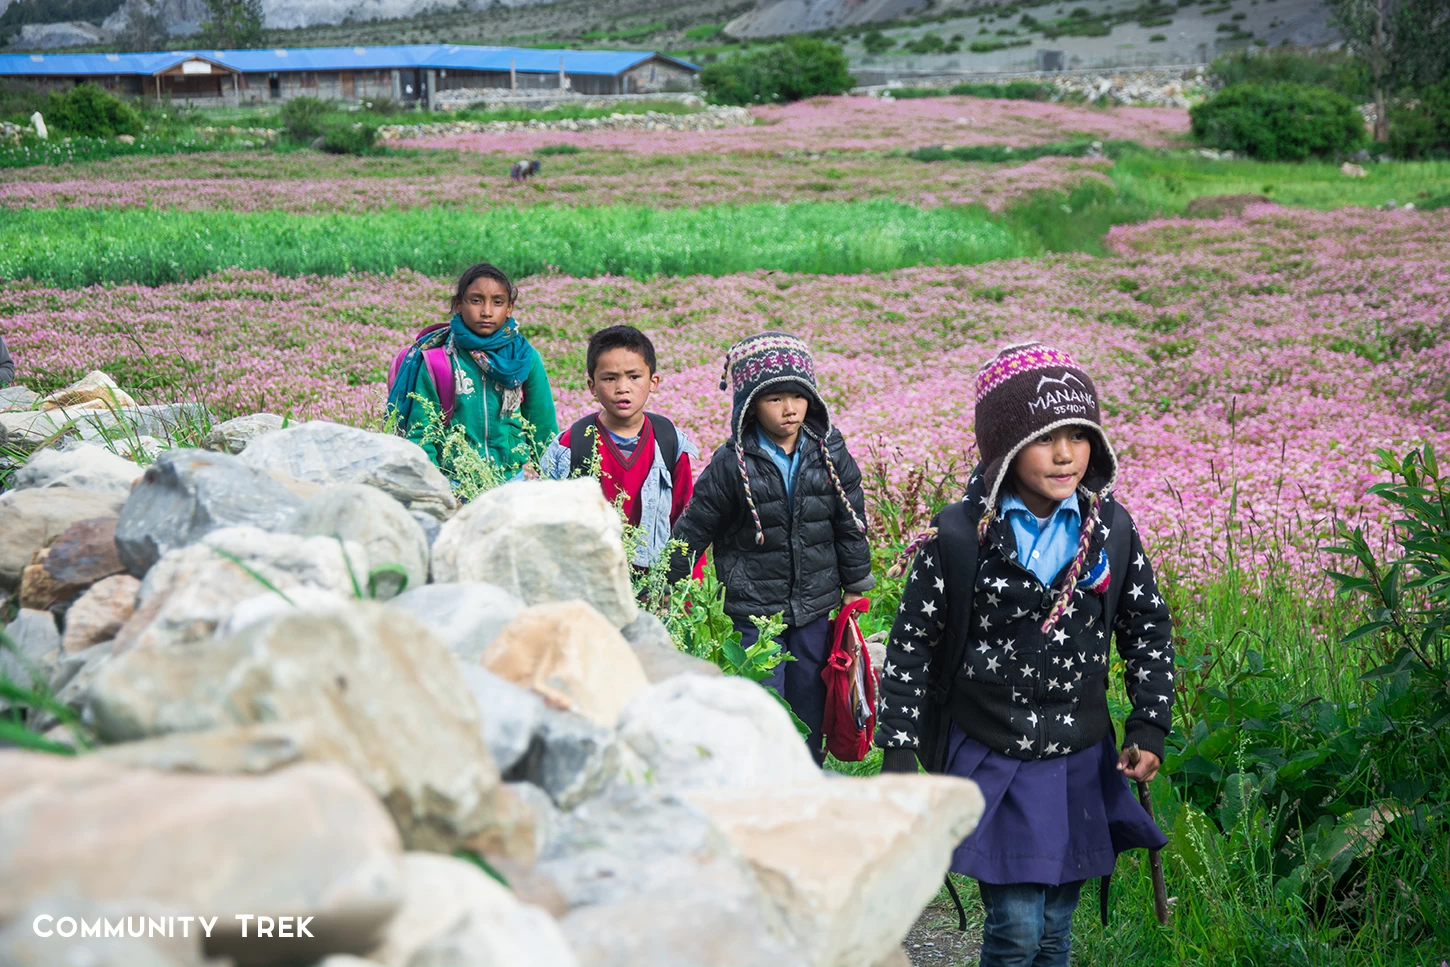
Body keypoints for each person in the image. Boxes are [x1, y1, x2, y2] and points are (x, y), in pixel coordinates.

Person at [876, 341, 1174, 967]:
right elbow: (912, 648)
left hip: (1078, 756)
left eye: (1078, 434)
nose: (1065, 454)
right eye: (1044, 438)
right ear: (1004, 450)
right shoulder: (958, 538)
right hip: (992, 753)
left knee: (1054, 931)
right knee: (1014, 927)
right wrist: (899, 751)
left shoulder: (1111, 531)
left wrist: (1149, 724)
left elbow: (1146, 626)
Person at [668, 331, 874, 765]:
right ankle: (763, 783)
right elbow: (696, 525)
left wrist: (856, 583)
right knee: (762, 701)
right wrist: (665, 580)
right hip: (755, 609)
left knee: (809, 701)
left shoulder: (829, 451)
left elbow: (850, 521)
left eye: (798, 396)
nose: (789, 409)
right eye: (774, 398)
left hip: (815, 605)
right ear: (749, 404)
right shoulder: (732, 463)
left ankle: (806, 779)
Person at [541, 325, 698, 570]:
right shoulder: (570, 446)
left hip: (654, 583)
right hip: (592, 579)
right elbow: (548, 524)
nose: (622, 387)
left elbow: (686, 519)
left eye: (634, 377)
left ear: (653, 381)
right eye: (610, 378)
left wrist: (681, 587)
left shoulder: (669, 442)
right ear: (592, 386)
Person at [388, 262, 558, 481]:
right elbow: (421, 433)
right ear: (458, 304)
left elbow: (542, 427)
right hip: (453, 481)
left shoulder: (525, 358)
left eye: (497, 302)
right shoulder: (438, 361)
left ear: (509, 309)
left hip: (509, 480)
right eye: (476, 300)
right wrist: (434, 486)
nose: (486, 312)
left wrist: (555, 482)